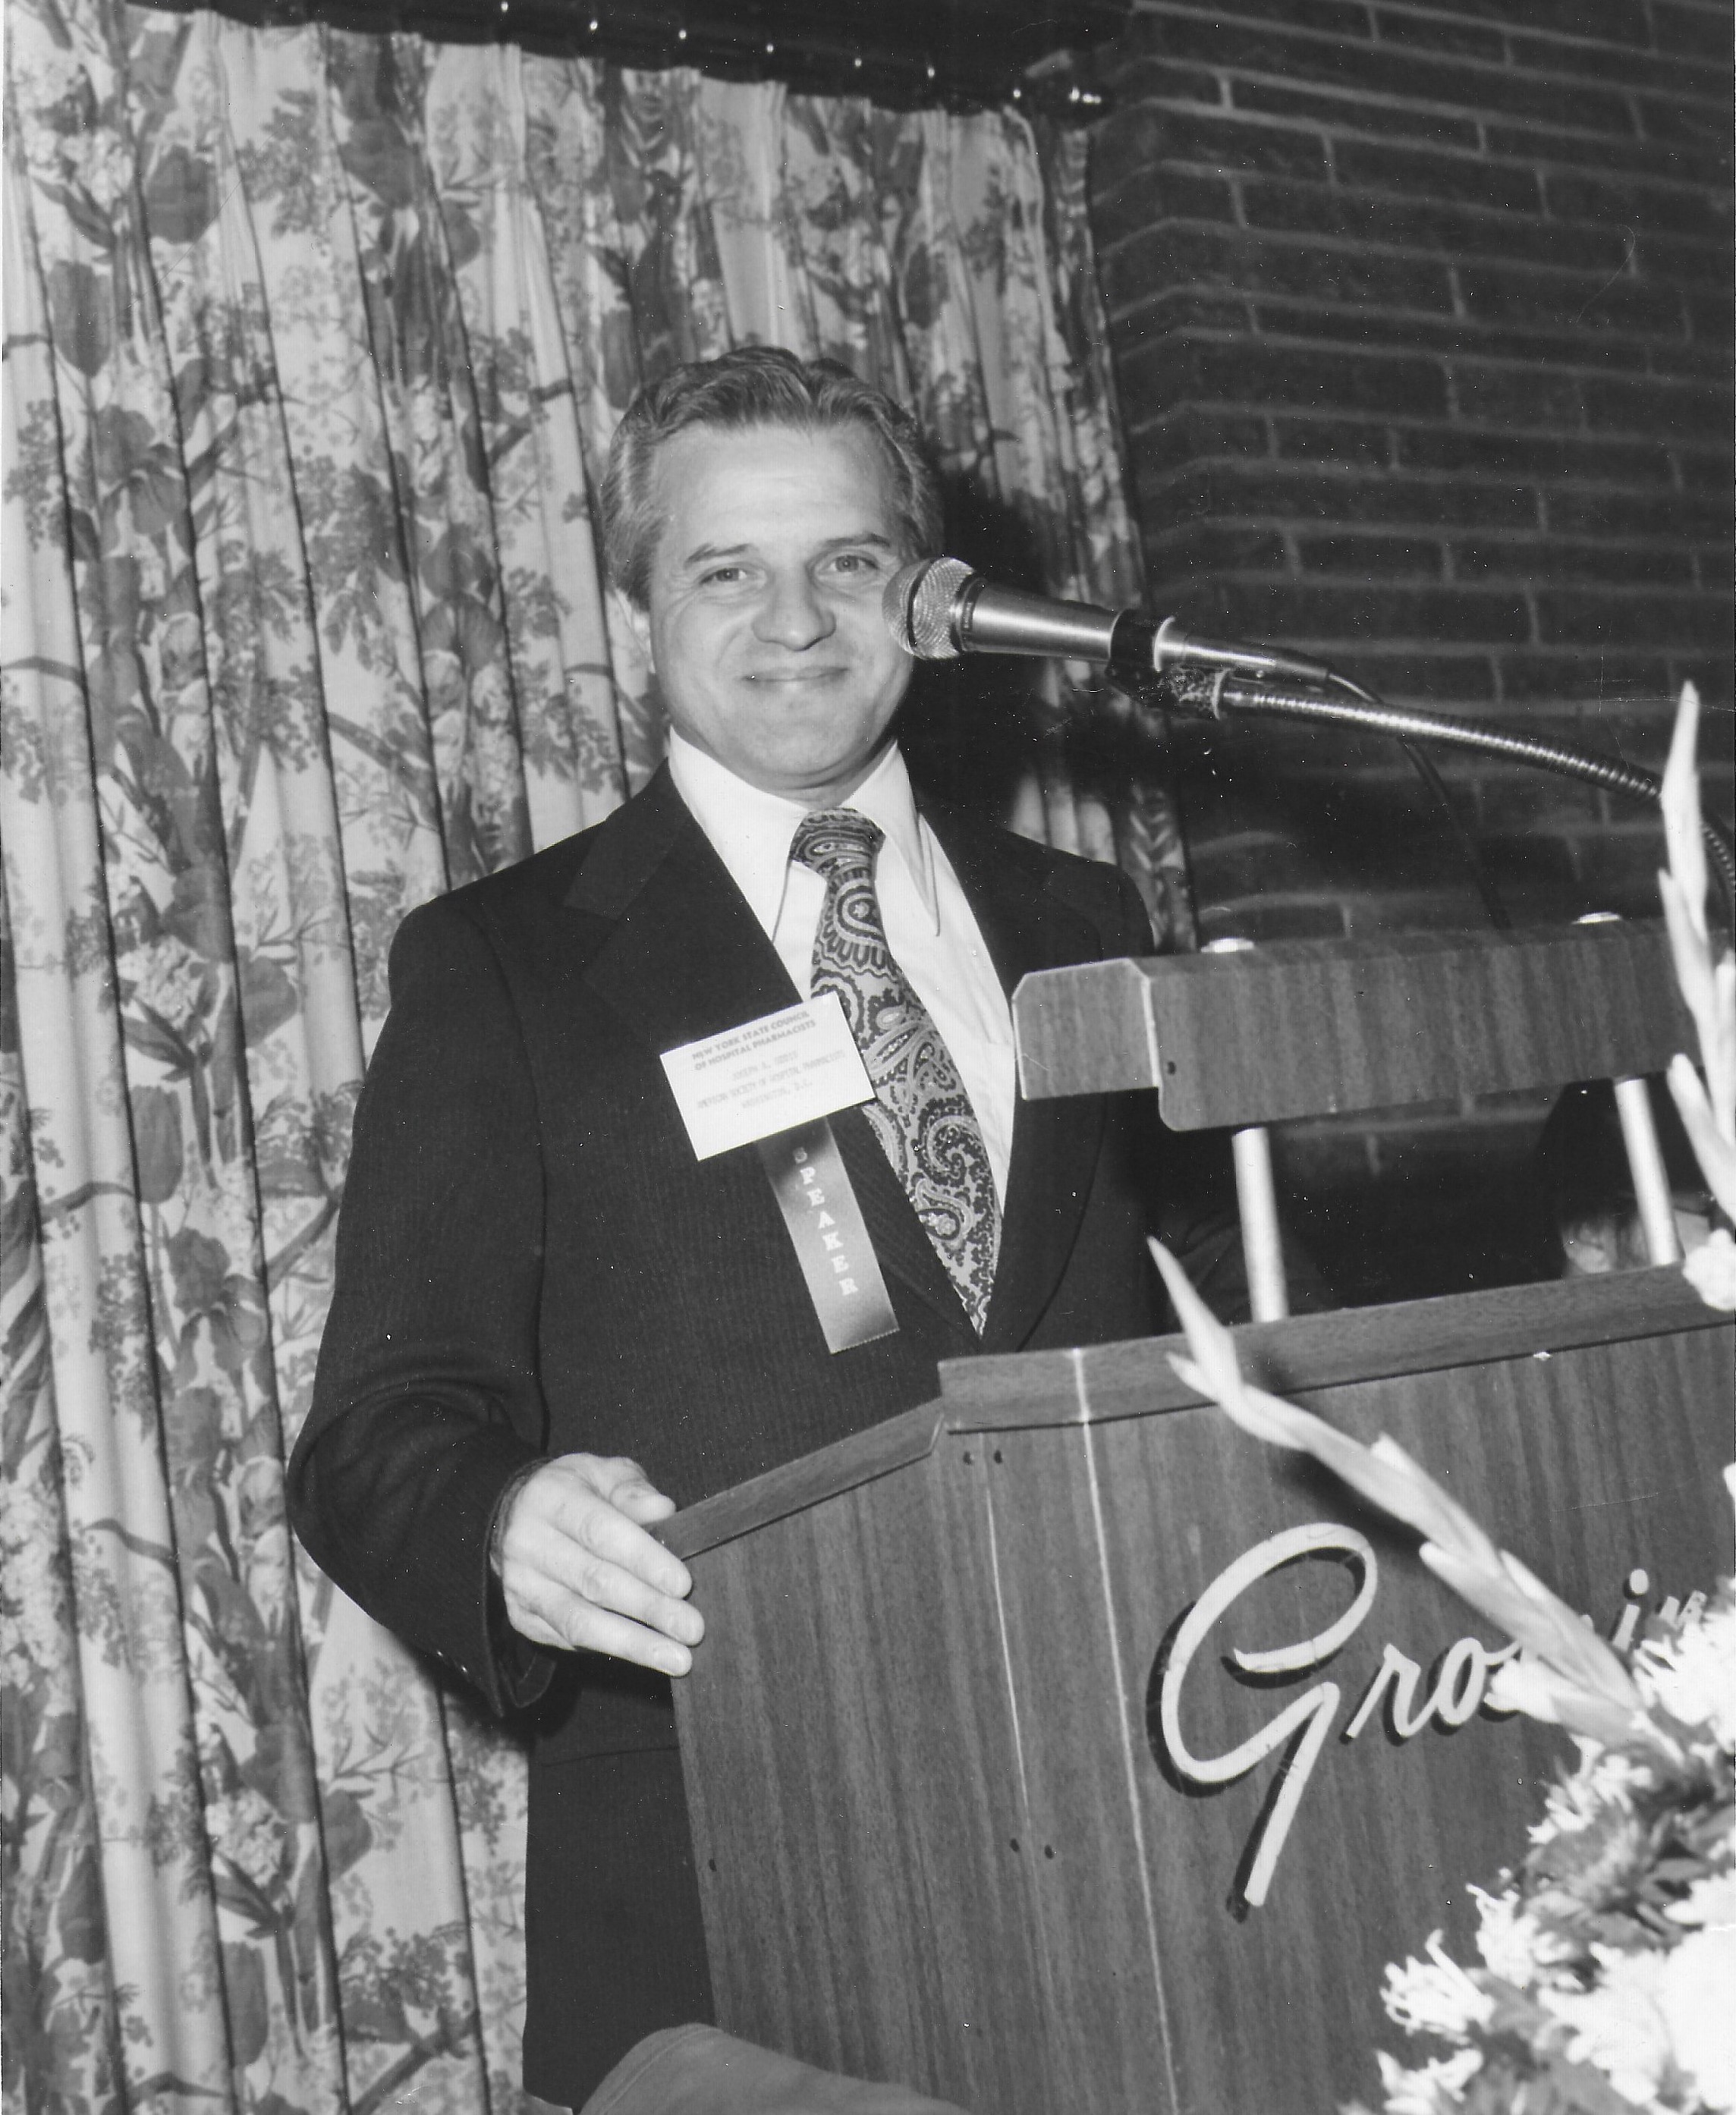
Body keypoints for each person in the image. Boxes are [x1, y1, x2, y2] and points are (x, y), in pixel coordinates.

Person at [288, 347, 1255, 2109]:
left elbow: (1231, 1317)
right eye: (725, 569)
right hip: (730, 1917)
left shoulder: (1083, 917)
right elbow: (371, 1437)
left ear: (930, 598)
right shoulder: (502, 966)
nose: (794, 617)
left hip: (1159, 1840)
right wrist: (502, 1516)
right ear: (640, 611)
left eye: (849, 563)